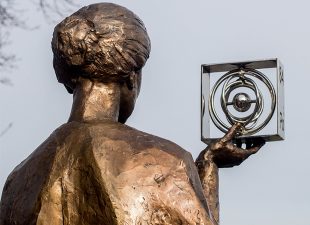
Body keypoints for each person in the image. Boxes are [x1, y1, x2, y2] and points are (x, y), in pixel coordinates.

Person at [0, 3, 264, 225]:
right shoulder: (165, 163)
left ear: (68, 78)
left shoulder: (18, 180)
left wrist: (207, 166)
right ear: (131, 77)